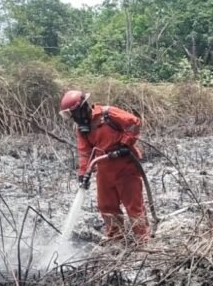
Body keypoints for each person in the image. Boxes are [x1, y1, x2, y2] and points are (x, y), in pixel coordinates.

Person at [59, 90, 149, 242]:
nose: (75, 119)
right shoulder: (82, 129)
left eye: (75, 114)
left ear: (83, 107)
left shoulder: (108, 114)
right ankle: (117, 240)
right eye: (72, 116)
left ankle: (143, 240)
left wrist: (124, 144)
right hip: (104, 169)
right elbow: (85, 153)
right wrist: (83, 173)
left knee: (133, 206)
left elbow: (134, 123)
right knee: (106, 206)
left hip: (125, 165)